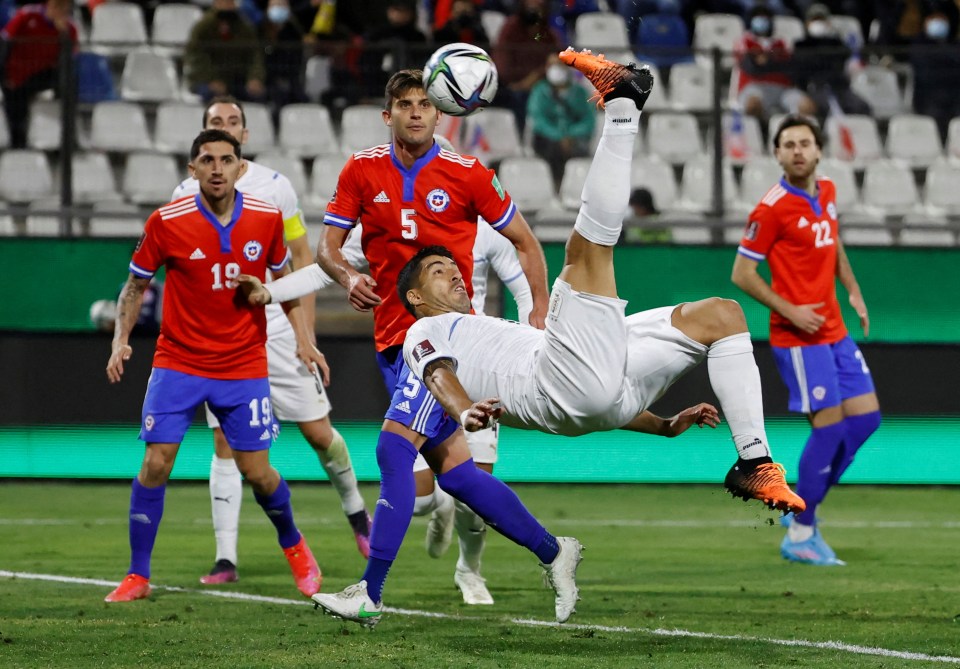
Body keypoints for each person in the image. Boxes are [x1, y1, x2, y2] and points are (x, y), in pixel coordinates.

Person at [246, 49, 804, 627]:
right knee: (589, 249)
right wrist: (463, 411)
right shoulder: (427, 329)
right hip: (566, 381)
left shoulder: (471, 306)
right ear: (413, 297)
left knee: (722, 315)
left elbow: (594, 396)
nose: (457, 273)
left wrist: (662, 423)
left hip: (598, 388)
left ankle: (752, 461)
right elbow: (438, 372)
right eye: (439, 273)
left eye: (454, 268)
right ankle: (622, 107)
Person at [240, 68, 563, 627]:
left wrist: (537, 309)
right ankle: (556, 553)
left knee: (393, 452)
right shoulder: (362, 169)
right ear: (387, 115)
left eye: (424, 104)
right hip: (394, 340)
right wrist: (346, 277)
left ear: (440, 114)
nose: (416, 112)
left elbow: (525, 242)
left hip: (447, 341)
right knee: (459, 478)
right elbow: (327, 249)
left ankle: (371, 592)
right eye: (404, 104)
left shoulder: (467, 173)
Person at [103, 129, 323, 603]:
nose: (217, 168)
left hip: (243, 363)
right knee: (156, 463)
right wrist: (121, 339)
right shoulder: (167, 221)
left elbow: (283, 285)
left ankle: (296, 547)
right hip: (178, 360)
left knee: (259, 473)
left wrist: (305, 341)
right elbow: (134, 285)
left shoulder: (266, 220)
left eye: (227, 159)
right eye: (207, 160)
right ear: (193, 169)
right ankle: (138, 575)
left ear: (241, 167)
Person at [171, 97, 371, 586]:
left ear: (246, 135)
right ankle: (225, 558)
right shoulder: (182, 194)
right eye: (216, 123)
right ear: (201, 140)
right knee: (224, 444)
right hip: (225, 342)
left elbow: (301, 263)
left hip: (278, 332)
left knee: (320, 435)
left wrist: (307, 337)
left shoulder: (276, 187)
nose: (226, 128)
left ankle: (357, 515)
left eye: (233, 122)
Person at [731, 114, 881, 566]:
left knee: (866, 422)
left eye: (805, 143)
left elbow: (832, 243)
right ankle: (801, 531)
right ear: (777, 154)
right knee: (830, 428)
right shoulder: (772, 208)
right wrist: (790, 309)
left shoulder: (828, 192)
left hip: (834, 329)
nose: (797, 150)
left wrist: (852, 289)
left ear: (818, 151)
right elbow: (741, 273)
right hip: (799, 338)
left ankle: (803, 507)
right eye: (788, 144)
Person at [0, 0, 77, 148]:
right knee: (15, 103)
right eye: (57, 7)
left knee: (69, 80)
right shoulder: (27, 15)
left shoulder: (70, 29)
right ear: (49, 5)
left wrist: (63, 35)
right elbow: (5, 43)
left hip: (43, 74)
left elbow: (67, 61)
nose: (60, 12)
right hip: (16, 73)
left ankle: (67, 138)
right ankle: (18, 145)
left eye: (64, 9)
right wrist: (4, 75)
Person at [733, 5, 814, 125]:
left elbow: (791, 67)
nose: (762, 22)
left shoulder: (782, 42)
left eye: (765, 19)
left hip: (783, 88)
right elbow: (751, 67)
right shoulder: (744, 41)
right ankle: (762, 134)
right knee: (752, 105)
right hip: (754, 86)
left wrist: (766, 61)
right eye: (758, 19)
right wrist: (775, 61)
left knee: (807, 106)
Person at [492, 0, 562, 133]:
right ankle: (521, 141)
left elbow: (559, 62)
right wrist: (521, 83)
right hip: (511, 87)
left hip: (541, 86)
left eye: (538, 7)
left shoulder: (546, 33)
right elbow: (503, 66)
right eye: (530, 7)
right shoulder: (511, 28)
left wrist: (539, 75)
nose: (534, 11)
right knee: (519, 98)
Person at [526, 51, 595, 187]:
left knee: (580, 149)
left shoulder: (580, 93)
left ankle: (576, 187)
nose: (555, 69)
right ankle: (555, 187)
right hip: (547, 139)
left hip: (575, 139)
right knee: (553, 149)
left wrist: (570, 135)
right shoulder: (539, 91)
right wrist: (559, 136)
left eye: (559, 65)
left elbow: (589, 121)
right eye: (551, 65)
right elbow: (538, 120)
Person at [791, 3, 871, 119]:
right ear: (807, 23)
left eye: (822, 20)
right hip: (815, 87)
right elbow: (800, 73)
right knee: (823, 108)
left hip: (839, 87)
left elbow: (846, 62)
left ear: (828, 23)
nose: (818, 24)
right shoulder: (801, 45)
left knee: (861, 107)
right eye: (815, 20)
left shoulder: (837, 44)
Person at [184, 0, 266, 102]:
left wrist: (254, 78)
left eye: (229, 2)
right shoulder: (203, 26)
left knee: (258, 95)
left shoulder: (245, 27)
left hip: (236, 80)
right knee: (210, 95)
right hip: (205, 80)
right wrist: (212, 79)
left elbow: (254, 56)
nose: (227, 4)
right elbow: (195, 57)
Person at [910, 2, 960, 143]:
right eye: (934, 19)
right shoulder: (919, 44)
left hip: (955, 95)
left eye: (942, 19)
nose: (938, 22)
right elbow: (925, 73)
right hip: (929, 97)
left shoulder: (954, 44)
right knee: (936, 114)